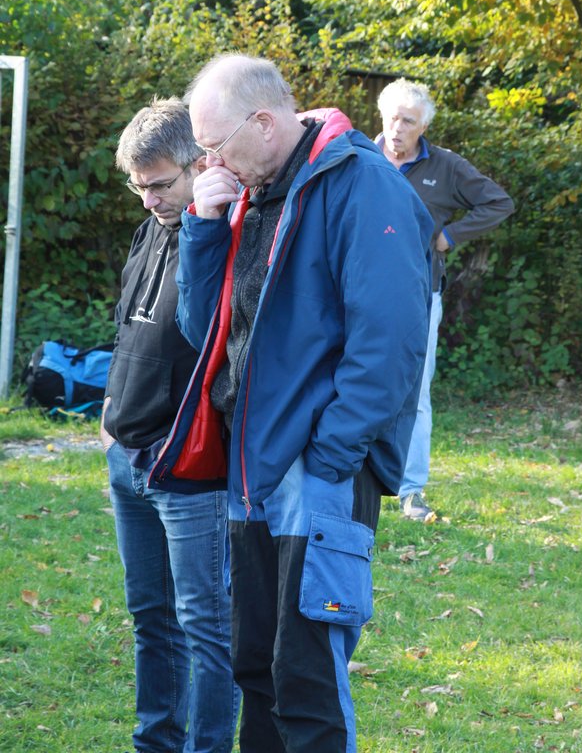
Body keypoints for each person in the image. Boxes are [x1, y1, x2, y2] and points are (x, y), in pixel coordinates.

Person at [147, 54, 433, 753]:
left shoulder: (362, 185)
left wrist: (330, 454)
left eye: (214, 147)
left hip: (317, 473)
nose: (210, 163)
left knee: (306, 681)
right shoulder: (252, 192)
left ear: (265, 123)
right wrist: (203, 227)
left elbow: (391, 341)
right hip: (253, 471)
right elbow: (205, 332)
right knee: (257, 669)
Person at [100, 97, 239, 753]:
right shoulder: (150, 227)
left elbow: (225, 346)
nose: (149, 199)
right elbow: (129, 330)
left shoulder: (227, 233)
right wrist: (110, 414)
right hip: (126, 457)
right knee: (151, 620)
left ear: (200, 164)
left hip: (188, 467)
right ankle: (153, 744)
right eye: (138, 187)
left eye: (159, 185)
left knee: (206, 628)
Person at [376, 78, 515, 521]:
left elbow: (498, 203)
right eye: (392, 118)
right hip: (356, 292)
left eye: (408, 121)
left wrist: (450, 235)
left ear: (423, 128)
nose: (397, 128)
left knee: (415, 391)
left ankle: (411, 490)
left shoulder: (447, 167)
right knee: (348, 381)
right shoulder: (359, 159)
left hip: (420, 294)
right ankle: (349, 477)